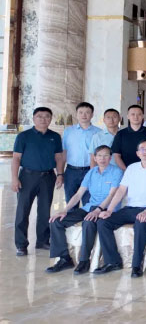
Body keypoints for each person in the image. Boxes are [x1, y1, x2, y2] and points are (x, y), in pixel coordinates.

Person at [95, 140, 146, 277]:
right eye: (142, 149)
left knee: (141, 223)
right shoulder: (131, 168)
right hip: (130, 208)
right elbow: (121, 190)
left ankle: (136, 265)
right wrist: (109, 210)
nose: (145, 151)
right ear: (137, 153)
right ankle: (112, 262)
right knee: (103, 222)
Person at [46, 145, 122, 274]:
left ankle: (84, 261)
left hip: (106, 209)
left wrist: (98, 209)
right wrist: (65, 209)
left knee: (88, 222)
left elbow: (112, 195)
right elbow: (78, 194)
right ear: (94, 158)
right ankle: (64, 258)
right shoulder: (91, 172)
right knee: (56, 221)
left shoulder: (117, 172)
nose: (102, 159)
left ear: (110, 158)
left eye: (106, 156)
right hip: (89, 207)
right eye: (99, 156)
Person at [12, 107, 64, 256]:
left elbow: (59, 157)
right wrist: (14, 178)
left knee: (45, 210)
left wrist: (60, 174)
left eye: (47, 116)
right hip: (27, 176)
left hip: (48, 176)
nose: (43, 119)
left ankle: (43, 241)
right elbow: (16, 158)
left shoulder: (55, 136)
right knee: (23, 211)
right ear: (34, 118)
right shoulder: (24, 136)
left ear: (51, 119)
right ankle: (21, 245)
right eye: (39, 116)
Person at [63, 102, 101, 202]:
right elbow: (64, 152)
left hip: (90, 170)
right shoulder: (68, 131)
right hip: (71, 171)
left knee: (89, 202)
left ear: (92, 114)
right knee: (71, 202)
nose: (84, 115)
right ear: (76, 114)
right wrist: (60, 173)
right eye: (81, 112)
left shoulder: (98, 132)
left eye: (87, 112)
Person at [112, 105, 146, 170]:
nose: (136, 117)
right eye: (133, 114)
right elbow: (116, 155)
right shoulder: (121, 134)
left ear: (143, 116)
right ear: (128, 116)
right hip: (126, 170)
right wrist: (126, 171)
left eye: (139, 114)